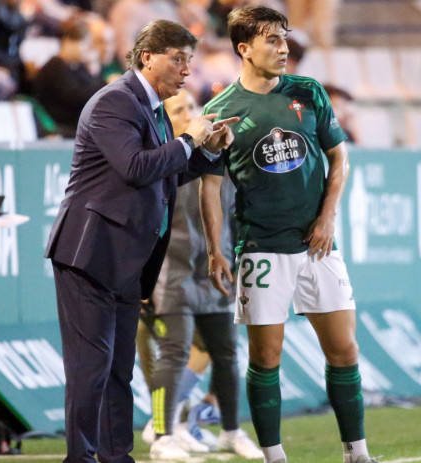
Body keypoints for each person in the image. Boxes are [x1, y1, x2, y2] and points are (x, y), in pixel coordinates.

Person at [44, 19, 238, 463]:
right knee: (90, 369)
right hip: (89, 255)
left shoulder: (149, 107)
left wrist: (209, 150)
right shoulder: (116, 101)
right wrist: (190, 137)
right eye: (178, 60)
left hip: (127, 260)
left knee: (118, 369)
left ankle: (116, 457)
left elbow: (165, 175)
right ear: (147, 57)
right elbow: (135, 167)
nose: (187, 71)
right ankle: (81, 458)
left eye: (190, 61)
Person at [199, 7, 377, 463]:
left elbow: (340, 159)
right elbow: (212, 185)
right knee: (266, 357)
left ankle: (356, 453)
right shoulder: (219, 112)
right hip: (261, 248)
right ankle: (274, 456)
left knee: (344, 349)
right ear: (244, 48)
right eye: (272, 41)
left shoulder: (309, 92)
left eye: (284, 39)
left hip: (318, 245)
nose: (282, 49)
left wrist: (327, 218)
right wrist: (215, 250)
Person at [144, 88, 263, 460]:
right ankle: (162, 434)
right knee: (174, 353)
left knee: (226, 354)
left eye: (192, 106)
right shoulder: (161, 163)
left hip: (213, 271)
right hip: (171, 273)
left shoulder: (217, 158)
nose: (191, 112)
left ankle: (230, 431)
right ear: (167, 121)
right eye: (180, 109)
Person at [31, 14, 106, 137]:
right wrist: (103, 84)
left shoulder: (76, 66)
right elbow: (76, 97)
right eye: (85, 44)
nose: (88, 50)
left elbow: (91, 88)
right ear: (70, 42)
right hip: (61, 124)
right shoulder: (55, 66)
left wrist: (95, 72)